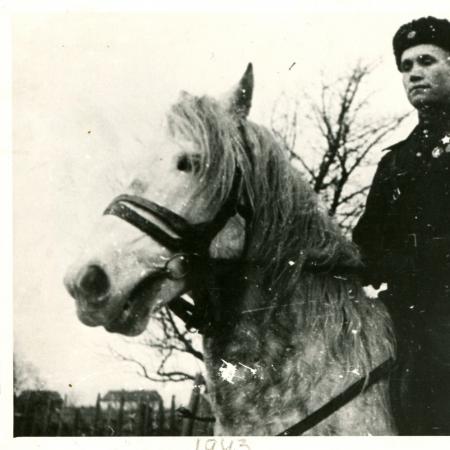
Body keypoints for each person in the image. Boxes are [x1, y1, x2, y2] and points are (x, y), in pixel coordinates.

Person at [353, 16, 450, 435]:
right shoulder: (396, 162)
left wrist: (414, 257)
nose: (413, 73)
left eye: (426, 61)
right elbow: (366, 246)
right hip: (405, 320)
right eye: (406, 66)